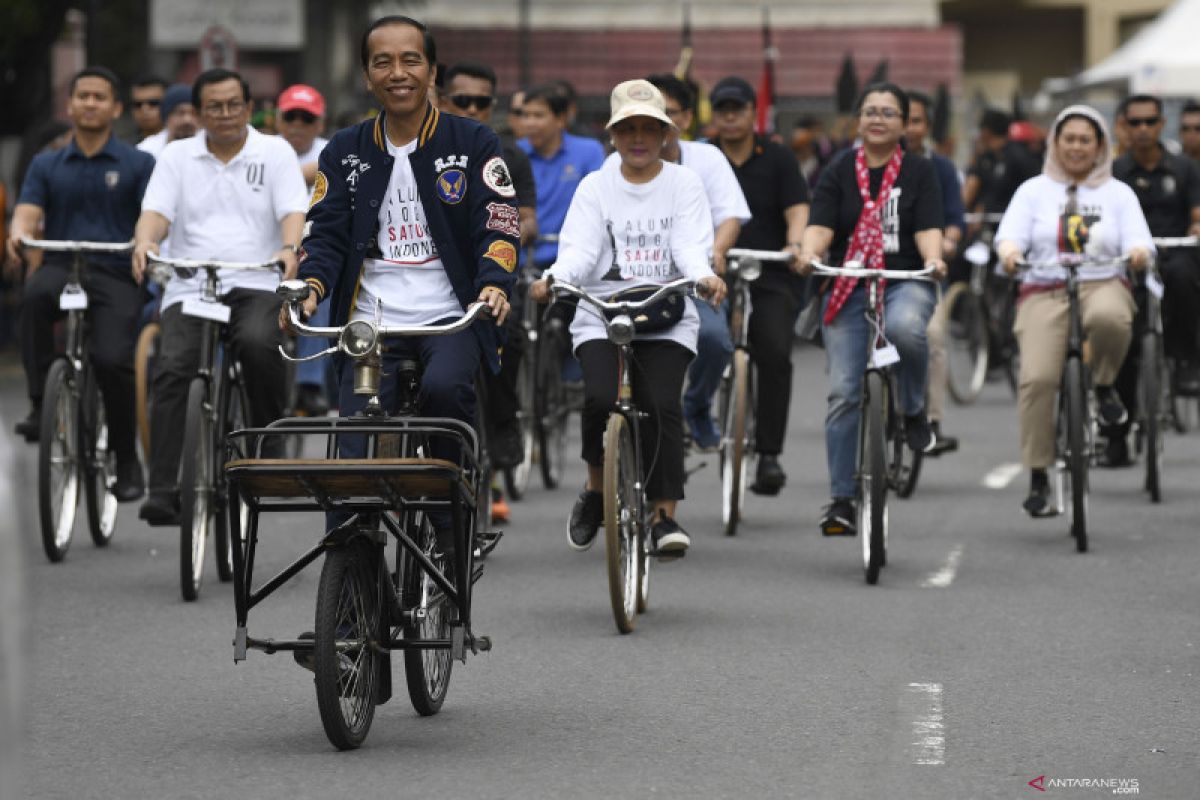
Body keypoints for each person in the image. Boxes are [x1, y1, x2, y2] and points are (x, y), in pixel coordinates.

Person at [287, 15, 517, 547]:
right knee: (354, 460)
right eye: (382, 62)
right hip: (370, 326)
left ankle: (452, 525)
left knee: (444, 392)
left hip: (451, 316)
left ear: (432, 71)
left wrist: (494, 282)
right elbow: (324, 233)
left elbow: (498, 220)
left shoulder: (474, 140)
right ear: (367, 76)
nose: (398, 73)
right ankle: (347, 597)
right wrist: (311, 287)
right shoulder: (344, 149)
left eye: (411, 60)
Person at [529, 79, 725, 557]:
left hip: (666, 312)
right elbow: (580, 248)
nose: (638, 138)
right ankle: (597, 488)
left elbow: (688, 245)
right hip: (601, 312)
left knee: (661, 405)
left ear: (666, 134)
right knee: (598, 399)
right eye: (628, 129)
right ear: (612, 136)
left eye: (649, 128)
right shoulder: (595, 186)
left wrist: (703, 276)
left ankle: (663, 517)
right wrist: (554, 278)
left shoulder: (684, 183)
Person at [131, 67, 309, 525]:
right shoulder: (176, 156)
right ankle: (165, 487)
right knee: (172, 367)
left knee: (256, 343)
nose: (225, 113)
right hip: (193, 283)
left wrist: (289, 250)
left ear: (250, 109)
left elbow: (293, 210)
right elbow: (155, 213)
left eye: (234, 104)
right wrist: (145, 242)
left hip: (256, 279)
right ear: (198, 111)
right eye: (214, 106)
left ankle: (269, 449)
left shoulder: (275, 152)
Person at [797, 83, 947, 536]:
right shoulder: (839, 168)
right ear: (858, 121)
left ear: (904, 123)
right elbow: (819, 226)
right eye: (870, 112)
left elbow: (928, 229)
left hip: (903, 281)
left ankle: (915, 409)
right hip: (850, 283)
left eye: (888, 112)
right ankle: (842, 499)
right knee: (844, 391)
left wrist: (934, 260)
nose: (877, 119)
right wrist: (808, 253)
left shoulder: (920, 171)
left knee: (905, 328)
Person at [6, 66, 155, 503]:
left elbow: (152, 216)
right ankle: (39, 404)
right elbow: (28, 211)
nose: (90, 103)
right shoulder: (46, 162)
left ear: (115, 108)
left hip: (114, 273)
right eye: (83, 96)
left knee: (112, 359)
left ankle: (127, 461)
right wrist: (19, 233)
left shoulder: (138, 163)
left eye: (99, 96)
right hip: (61, 266)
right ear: (69, 105)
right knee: (33, 297)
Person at [995, 104, 1153, 516]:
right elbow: (1008, 236)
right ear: (1055, 143)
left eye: (1086, 139)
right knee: (1037, 380)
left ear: (1100, 145)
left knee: (1112, 319)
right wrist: (1011, 253)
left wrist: (1137, 253)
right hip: (1044, 286)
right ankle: (1038, 474)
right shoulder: (1032, 190)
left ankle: (1103, 385)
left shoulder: (1119, 193)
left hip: (1101, 281)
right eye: (1070, 139)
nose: (1078, 147)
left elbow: (1141, 240)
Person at [603, 73, 750, 452]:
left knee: (716, 340)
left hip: (692, 277)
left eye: (661, 117)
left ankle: (697, 405)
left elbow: (730, 215)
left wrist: (714, 255)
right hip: (632, 280)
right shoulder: (611, 168)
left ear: (680, 121)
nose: (644, 132)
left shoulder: (706, 160)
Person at [439, 59, 539, 522]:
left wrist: (500, 241)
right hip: (429, 277)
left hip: (491, 270)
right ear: (442, 99)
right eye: (464, 100)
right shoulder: (423, 146)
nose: (473, 109)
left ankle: (502, 427)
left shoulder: (509, 154)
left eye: (483, 102)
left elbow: (526, 219)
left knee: (509, 331)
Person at [710, 74, 810, 494]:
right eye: (723, 109)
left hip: (769, 272)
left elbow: (798, 208)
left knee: (773, 351)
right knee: (697, 342)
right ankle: (699, 418)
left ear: (754, 113)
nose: (731, 117)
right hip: (711, 273)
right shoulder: (704, 158)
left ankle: (769, 454)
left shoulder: (778, 157)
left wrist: (794, 243)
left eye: (739, 109)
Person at [1110, 93, 1200, 464]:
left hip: (1175, 253)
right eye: (1135, 123)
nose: (1143, 129)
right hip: (1129, 261)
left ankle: (1185, 362)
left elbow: (1196, 212)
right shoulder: (1114, 172)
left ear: (1162, 125)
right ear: (1124, 127)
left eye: (1150, 122)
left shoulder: (1185, 168)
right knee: (1122, 339)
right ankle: (1116, 434)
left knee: (1183, 278)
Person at [906, 89, 965, 456]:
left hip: (923, 271)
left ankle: (931, 419)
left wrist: (946, 243)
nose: (908, 128)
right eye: (904, 118)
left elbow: (955, 219)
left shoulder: (940, 167)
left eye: (916, 121)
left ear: (927, 127)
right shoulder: (861, 165)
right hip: (868, 270)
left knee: (933, 336)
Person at [275, 83, 333, 417]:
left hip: (316, 251)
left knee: (318, 292)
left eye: (306, 118)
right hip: (273, 254)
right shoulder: (265, 150)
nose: (298, 124)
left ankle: (310, 384)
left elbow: (327, 165)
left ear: (320, 123)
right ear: (279, 120)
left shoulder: (331, 150)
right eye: (291, 116)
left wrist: (287, 175)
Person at [517, 83, 606, 271]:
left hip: (573, 259)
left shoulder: (589, 151)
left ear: (561, 119)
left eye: (538, 115)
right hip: (521, 259)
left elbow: (601, 204)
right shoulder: (513, 154)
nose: (530, 123)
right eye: (525, 115)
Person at [963, 109, 1039, 228]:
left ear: (986, 131)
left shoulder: (1018, 157)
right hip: (985, 226)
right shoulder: (985, 157)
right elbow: (971, 187)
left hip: (1014, 225)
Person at [137, 84, 198, 158]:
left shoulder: (210, 148)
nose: (187, 120)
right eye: (180, 113)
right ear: (166, 117)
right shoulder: (146, 150)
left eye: (193, 113)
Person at [130, 75, 166, 143]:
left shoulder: (182, 144)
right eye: (138, 104)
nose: (144, 109)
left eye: (153, 103)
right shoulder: (124, 148)